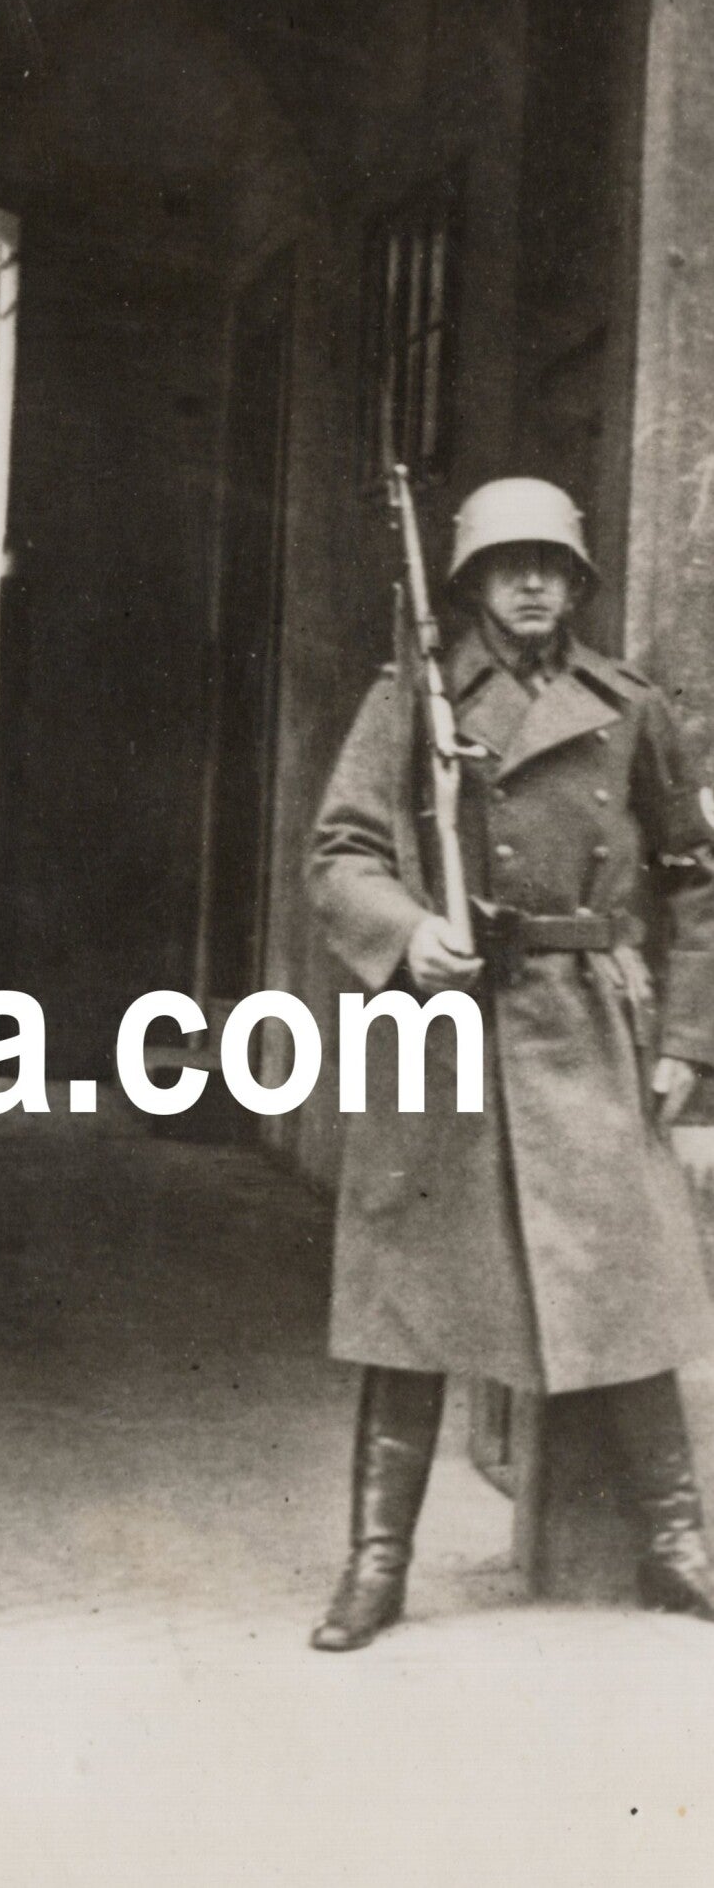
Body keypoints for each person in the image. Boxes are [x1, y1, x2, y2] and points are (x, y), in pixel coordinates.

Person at [306, 475, 714, 1649]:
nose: (530, 583)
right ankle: (374, 1566)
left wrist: (685, 1038)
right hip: (444, 1021)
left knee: (626, 1280)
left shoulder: (628, 706)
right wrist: (403, 930)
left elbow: (691, 881)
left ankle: (675, 1546)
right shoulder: (410, 700)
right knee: (411, 1299)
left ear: (576, 582)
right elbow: (337, 852)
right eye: (506, 564)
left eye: (550, 565)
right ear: (471, 581)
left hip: (587, 1017)